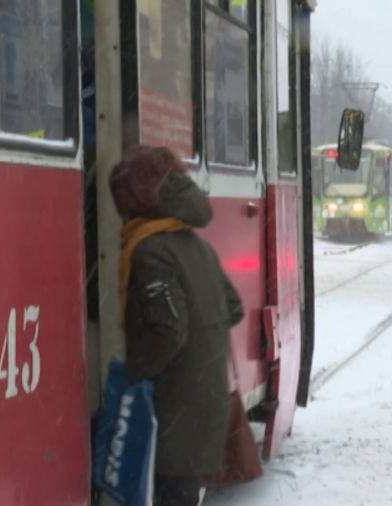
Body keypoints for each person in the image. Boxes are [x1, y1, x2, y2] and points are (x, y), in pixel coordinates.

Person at [110, 145, 244, 506]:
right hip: (203, 404)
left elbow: (169, 331)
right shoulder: (196, 246)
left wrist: (134, 373)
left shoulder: (151, 250)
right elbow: (232, 307)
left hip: (174, 413)